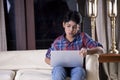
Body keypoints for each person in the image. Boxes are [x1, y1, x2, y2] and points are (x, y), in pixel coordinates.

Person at [45, 10, 103, 80]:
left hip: (77, 68)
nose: (71, 30)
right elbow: (47, 58)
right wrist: (54, 62)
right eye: (68, 26)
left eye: (74, 27)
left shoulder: (83, 37)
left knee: (79, 71)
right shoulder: (58, 41)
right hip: (61, 68)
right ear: (64, 24)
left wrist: (88, 51)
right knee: (58, 70)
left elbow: (100, 49)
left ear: (78, 27)